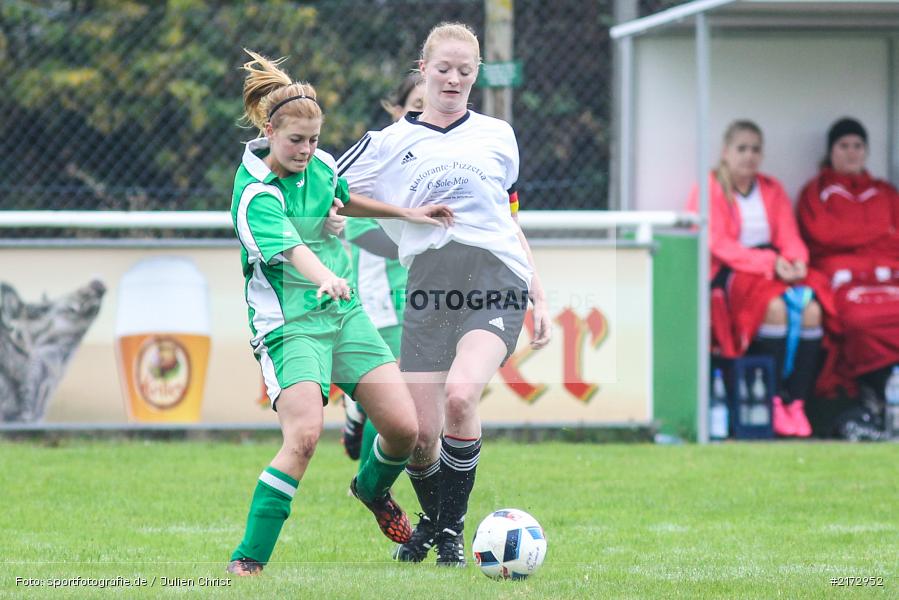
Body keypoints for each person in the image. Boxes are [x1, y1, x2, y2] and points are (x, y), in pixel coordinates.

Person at [226, 50, 452, 576]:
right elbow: (292, 251)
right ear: (268, 130)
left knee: (406, 430)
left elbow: (345, 198)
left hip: (343, 317)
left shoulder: (322, 164)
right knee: (303, 437)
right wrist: (326, 275)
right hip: (290, 327)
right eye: (295, 141)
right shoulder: (253, 192)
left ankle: (372, 491)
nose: (307, 151)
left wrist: (408, 212)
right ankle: (248, 559)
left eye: (314, 140)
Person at [337, 22, 551, 566]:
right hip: (430, 285)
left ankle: (449, 536)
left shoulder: (499, 135)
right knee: (421, 435)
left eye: (465, 70)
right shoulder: (387, 144)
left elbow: (510, 220)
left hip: (494, 277)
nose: (453, 79)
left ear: (476, 74)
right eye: (443, 68)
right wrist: (402, 214)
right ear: (423, 70)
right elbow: (331, 194)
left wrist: (538, 290)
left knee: (461, 396)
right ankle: (439, 527)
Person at [687, 120, 832, 437]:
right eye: (742, 148)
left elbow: (789, 235)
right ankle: (773, 398)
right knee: (776, 309)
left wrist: (796, 262)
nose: (749, 156)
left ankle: (797, 402)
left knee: (812, 311)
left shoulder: (771, 188)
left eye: (755, 149)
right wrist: (769, 262)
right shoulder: (710, 187)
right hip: (733, 271)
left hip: (773, 267)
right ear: (726, 152)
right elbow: (718, 244)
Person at [341, 73, 425, 463]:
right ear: (396, 111)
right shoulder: (378, 156)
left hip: (431, 293)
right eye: (415, 108)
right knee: (395, 384)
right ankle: (374, 481)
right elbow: (356, 226)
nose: (424, 117)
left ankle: (358, 410)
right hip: (382, 294)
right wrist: (419, 244)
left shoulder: (445, 159)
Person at [797, 117, 899, 404]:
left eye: (858, 146)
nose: (852, 152)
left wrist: (851, 237)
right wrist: (879, 233)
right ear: (831, 151)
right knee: (859, 320)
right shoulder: (817, 192)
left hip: (888, 278)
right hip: (842, 284)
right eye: (844, 146)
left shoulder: (885, 192)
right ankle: (874, 391)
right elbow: (822, 235)